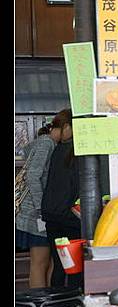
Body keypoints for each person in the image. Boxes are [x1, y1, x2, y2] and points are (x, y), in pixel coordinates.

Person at [15, 121, 62, 288]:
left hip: (34, 213)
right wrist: (41, 207)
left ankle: (45, 304)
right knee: (40, 263)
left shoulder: (44, 143)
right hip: (37, 215)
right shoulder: (46, 143)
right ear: (64, 127)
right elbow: (33, 176)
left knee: (47, 262)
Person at [40, 109, 82, 289]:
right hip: (71, 218)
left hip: (52, 217)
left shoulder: (57, 150)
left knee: (59, 266)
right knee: (75, 269)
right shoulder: (77, 152)